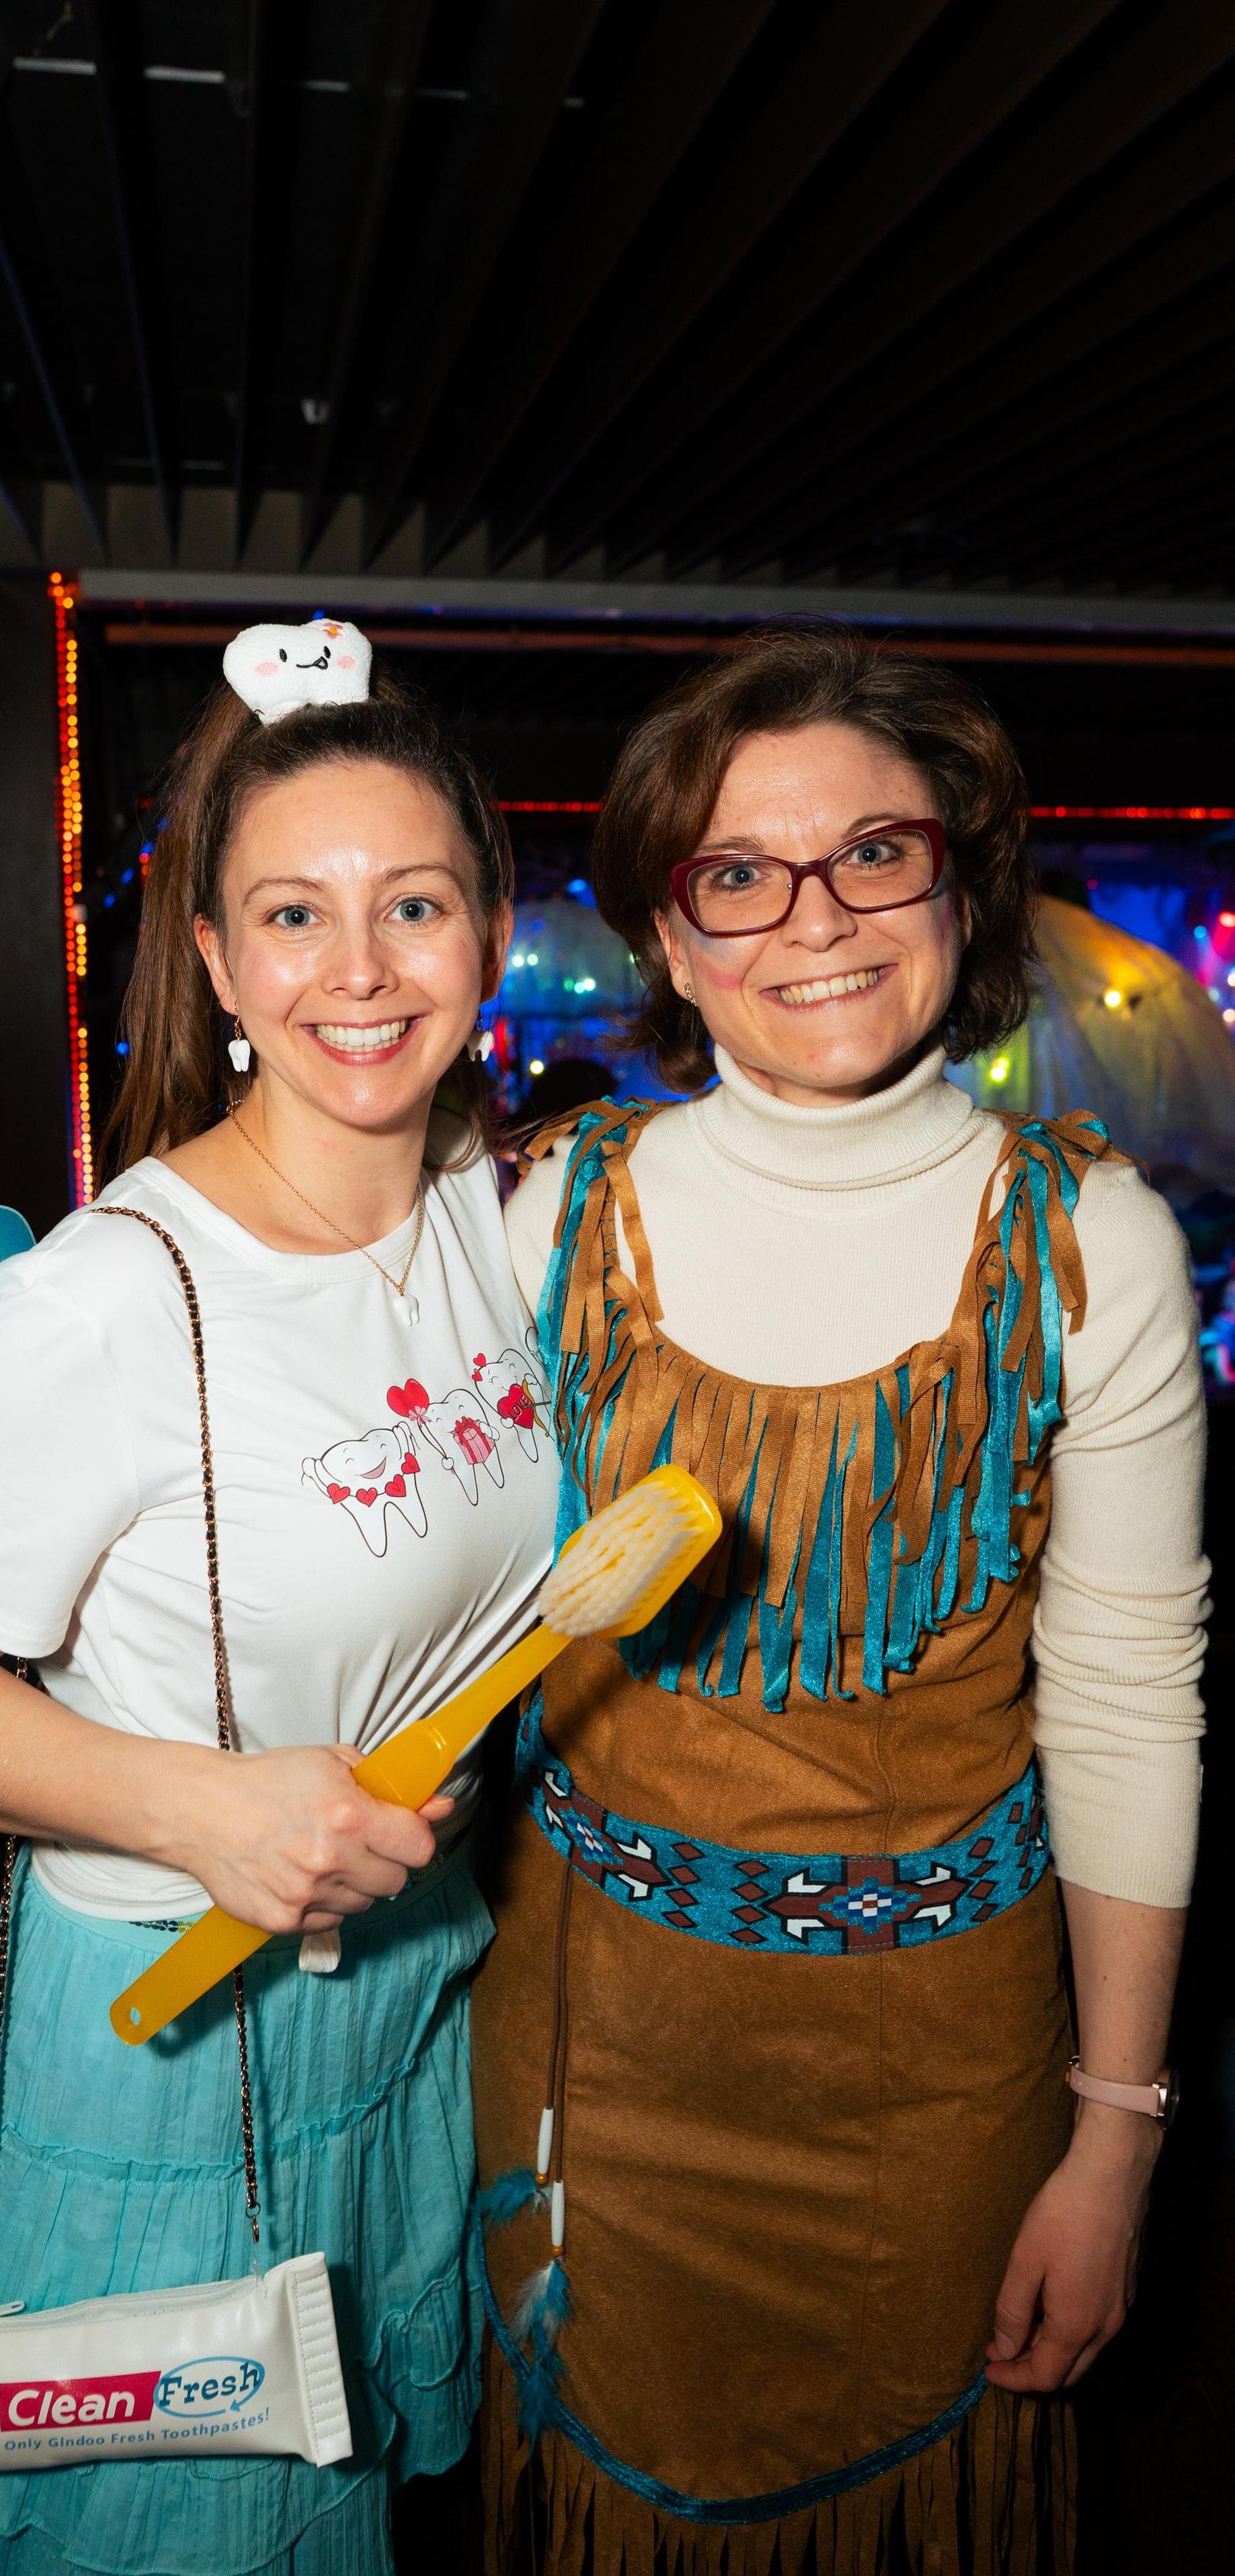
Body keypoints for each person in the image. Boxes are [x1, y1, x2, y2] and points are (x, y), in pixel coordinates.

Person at [0, 632, 560, 2576]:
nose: (363, 966)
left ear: (487, 927)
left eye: (414, 903)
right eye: (293, 915)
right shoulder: (116, 1294)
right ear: (218, 964)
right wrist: (206, 1804)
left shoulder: (498, 1220)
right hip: (171, 2037)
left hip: (410, 2002)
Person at [474, 625, 1206, 2573]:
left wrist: (1116, 2132)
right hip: (584, 2058)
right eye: (739, 871)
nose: (816, 917)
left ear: (959, 880)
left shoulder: (1092, 1245)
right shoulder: (548, 1210)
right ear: (670, 926)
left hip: (942, 2076)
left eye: (876, 852)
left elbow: (1127, 1696)